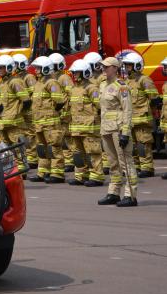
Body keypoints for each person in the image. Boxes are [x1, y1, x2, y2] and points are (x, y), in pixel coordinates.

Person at [97, 57, 138, 207]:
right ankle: (114, 192)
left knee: (125, 162)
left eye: (107, 67)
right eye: (103, 66)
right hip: (106, 129)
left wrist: (125, 132)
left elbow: (127, 110)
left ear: (115, 68)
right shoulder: (102, 85)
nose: (104, 69)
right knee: (113, 163)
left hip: (119, 129)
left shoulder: (121, 87)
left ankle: (130, 195)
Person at [65, 60, 104, 186]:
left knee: (92, 153)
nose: (75, 75)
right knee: (78, 154)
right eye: (74, 73)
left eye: (77, 72)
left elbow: (100, 106)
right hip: (76, 128)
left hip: (89, 128)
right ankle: (81, 176)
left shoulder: (91, 88)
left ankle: (96, 177)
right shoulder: (73, 89)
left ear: (85, 73)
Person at [120, 51, 158, 178]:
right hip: (130, 120)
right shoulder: (125, 81)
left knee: (143, 144)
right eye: (126, 65)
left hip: (142, 119)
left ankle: (147, 168)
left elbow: (153, 99)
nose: (127, 68)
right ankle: (135, 167)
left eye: (129, 65)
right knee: (132, 146)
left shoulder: (144, 80)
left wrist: (149, 113)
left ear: (137, 65)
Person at [28, 56, 66, 183]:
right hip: (39, 122)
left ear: (45, 68)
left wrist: (51, 113)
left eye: (38, 68)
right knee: (41, 148)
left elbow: (59, 101)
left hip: (50, 122)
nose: (36, 70)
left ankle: (57, 173)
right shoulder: (38, 83)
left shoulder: (52, 83)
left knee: (54, 147)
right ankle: (43, 172)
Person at [0, 55, 30, 174]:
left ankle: (22, 170)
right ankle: (12, 170)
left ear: (9, 68)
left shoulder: (15, 81)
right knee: (6, 150)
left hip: (14, 122)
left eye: (2, 67)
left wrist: (17, 113)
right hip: (3, 121)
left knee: (18, 147)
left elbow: (26, 101)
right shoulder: (2, 82)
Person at [13, 54, 39, 169]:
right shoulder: (17, 77)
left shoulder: (29, 77)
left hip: (29, 110)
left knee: (31, 134)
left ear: (21, 65)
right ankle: (29, 156)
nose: (14, 67)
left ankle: (33, 157)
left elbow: (34, 94)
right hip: (22, 110)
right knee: (24, 133)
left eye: (16, 64)